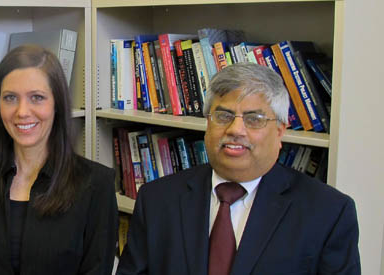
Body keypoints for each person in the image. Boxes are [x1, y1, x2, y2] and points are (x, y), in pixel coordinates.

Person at [117, 63, 360, 275]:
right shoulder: (157, 199)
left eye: (254, 119)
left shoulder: (329, 213)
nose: (235, 130)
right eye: (223, 116)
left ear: (280, 131)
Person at [0, 45, 118, 275]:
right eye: (10, 98)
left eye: (37, 97)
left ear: (57, 104)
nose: (22, 111)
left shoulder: (96, 184)